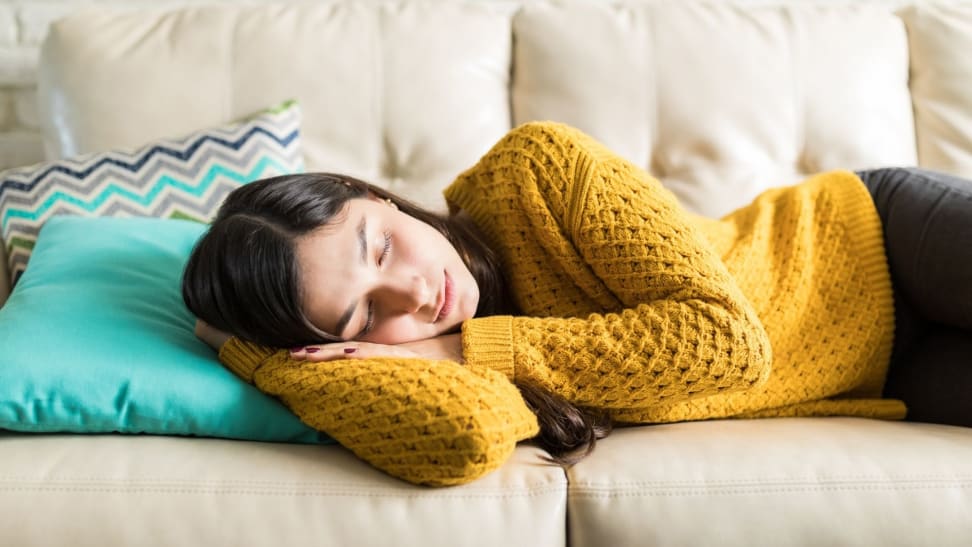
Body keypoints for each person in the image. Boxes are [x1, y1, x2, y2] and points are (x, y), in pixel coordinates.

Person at [182, 121, 972, 487]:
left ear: (377, 196)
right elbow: (460, 439)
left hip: (871, 240)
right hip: (883, 375)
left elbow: (730, 342)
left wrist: (468, 346)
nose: (418, 296)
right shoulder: (453, 367)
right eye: (361, 317)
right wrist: (265, 358)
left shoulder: (534, 173)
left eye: (381, 247)